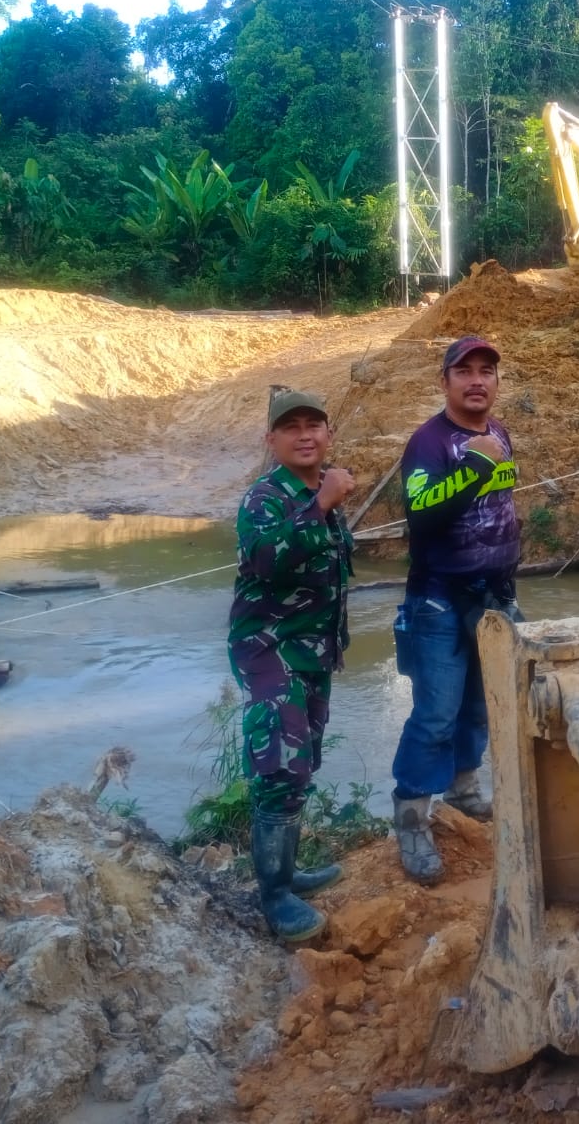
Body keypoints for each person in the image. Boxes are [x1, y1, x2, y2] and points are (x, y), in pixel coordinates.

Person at [391, 336, 521, 884]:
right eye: (464, 371)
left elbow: (501, 503)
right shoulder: (428, 442)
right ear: (444, 381)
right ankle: (411, 816)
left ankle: (464, 790)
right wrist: (474, 466)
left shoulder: (500, 433)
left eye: (486, 371)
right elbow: (421, 513)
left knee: (480, 705)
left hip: (494, 595)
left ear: (497, 382)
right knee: (437, 712)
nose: (476, 381)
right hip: (438, 598)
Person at [227, 390, 354, 942]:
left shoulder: (320, 489)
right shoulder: (265, 497)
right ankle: (274, 895)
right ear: (272, 440)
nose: (305, 435)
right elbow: (265, 559)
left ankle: (288, 871)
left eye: (314, 425)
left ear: (328, 433)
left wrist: (323, 501)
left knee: (303, 760)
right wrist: (321, 505)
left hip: (312, 650)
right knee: (280, 764)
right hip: (268, 648)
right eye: (291, 427)